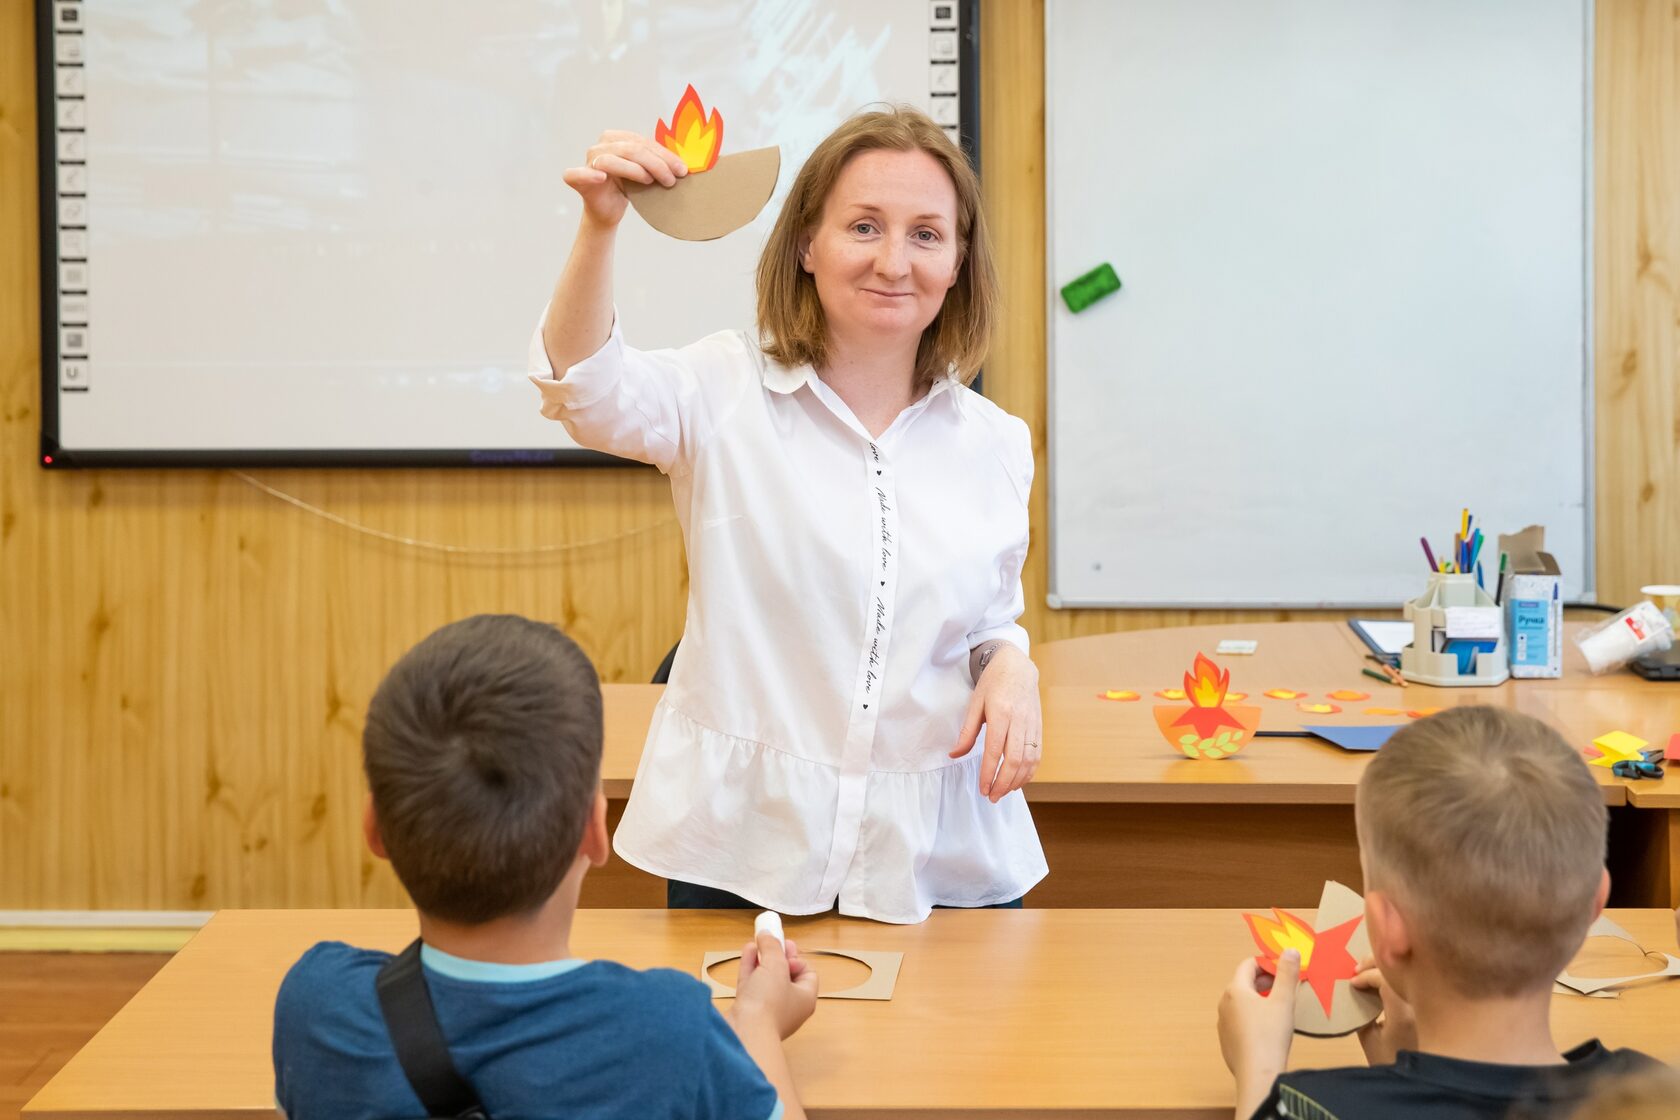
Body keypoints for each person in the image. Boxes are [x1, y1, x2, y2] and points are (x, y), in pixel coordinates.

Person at [529, 106, 1046, 922]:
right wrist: (601, 227)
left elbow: (985, 621)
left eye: (926, 235)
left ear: (957, 263)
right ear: (808, 244)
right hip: (746, 844)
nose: (893, 261)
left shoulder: (995, 443)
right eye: (864, 226)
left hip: (933, 851)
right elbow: (585, 391)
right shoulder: (722, 388)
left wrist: (1010, 664)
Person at [272, 614, 816, 1119]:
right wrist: (759, 1023)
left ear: (374, 830)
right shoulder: (669, 1033)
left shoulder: (318, 1008)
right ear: (596, 832)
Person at [1217, 706, 1664, 1120]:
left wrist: (1259, 1073)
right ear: (1594, 905)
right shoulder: (1657, 1097)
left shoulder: (1309, 1108)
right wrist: (1405, 1068)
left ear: (1388, 928)